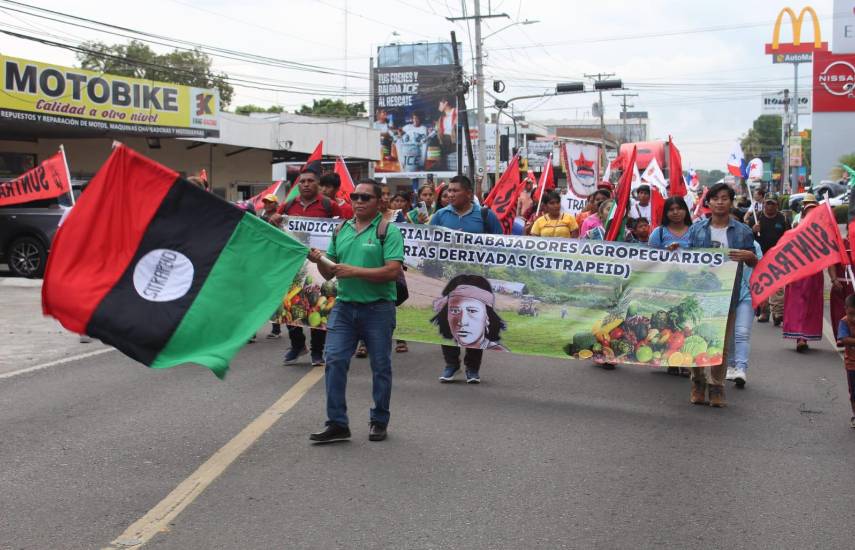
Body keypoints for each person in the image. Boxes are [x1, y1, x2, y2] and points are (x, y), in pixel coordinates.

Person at [307, 181, 404, 443]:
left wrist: (354, 271)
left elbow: (393, 271)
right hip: (345, 306)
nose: (358, 201)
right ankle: (337, 423)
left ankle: (379, 420)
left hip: (378, 309)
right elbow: (331, 272)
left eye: (365, 197)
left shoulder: (388, 231)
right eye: (354, 196)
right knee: (335, 360)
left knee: (380, 366)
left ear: (378, 202)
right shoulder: (341, 229)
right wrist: (320, 262)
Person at [685, 183, 758, 405]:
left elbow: (755, 261)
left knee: (721, 344)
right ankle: (697, 381)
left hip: (728, 295)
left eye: (724, 198)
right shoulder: (697, 229)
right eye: (715, 198)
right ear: (708, 202)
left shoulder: (743, 231)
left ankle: (717, 387)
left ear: (731, 201)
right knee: (696, 340)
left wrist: (748, 256)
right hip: (699, 296)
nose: (719, 202)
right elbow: (686, 260)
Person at [430, 174, 502, 383]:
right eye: (449, 191)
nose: (450, 194)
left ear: (469, 194)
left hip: (476, 279)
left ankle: (472, 367)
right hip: (447, 278)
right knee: (446, 318)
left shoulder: (486, 216)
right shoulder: (440, 216)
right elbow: (429, 245)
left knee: (474, 322)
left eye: (455, 191)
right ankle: (451, 365)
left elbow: (500, 245)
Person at [270, 166, 341, 366]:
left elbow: (344, 227)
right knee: (290, 306)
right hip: (293, 265)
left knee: (316, 306)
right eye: (302, 181)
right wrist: (273, 218)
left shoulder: (329, 206)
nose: (306, 184)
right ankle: (297, 345)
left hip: (319, 265)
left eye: (310, 181)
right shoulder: (287, 205)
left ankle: (317, 352)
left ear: (318, 183)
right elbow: (276, 228)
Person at [783, 195, 824, 352]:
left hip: (814, 275)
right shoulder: (796, 228)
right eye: (808, 208)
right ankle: (799, 337)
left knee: (811, 306)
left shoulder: (823, 231)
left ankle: (806, 336)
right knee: (797, 305)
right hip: (798, 273)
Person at [431, 275, 508, 352]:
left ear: (487, 316)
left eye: (472, 311)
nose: (462, 322)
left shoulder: (500, 355)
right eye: (455, 311)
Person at [751, 193, 787, 324]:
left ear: (777, 205)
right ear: (764, 204)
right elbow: (747, 236)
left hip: (778, 257)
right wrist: (753, 230)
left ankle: (778, 313)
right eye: (768, 203)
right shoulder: (756, 218)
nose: (770, 206)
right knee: (763, 284)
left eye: (773, 203)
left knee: (777, 286)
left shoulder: (782, 218)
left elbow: (788, 235)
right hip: (760, 256)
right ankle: (764, 312)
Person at [834, 294, 855, 429]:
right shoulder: (844, 322)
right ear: (845, 309)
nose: (854, 318)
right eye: (851, 314)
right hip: (852, 364)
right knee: (854, 391)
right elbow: (844, 339)